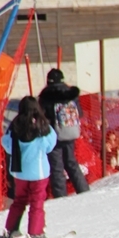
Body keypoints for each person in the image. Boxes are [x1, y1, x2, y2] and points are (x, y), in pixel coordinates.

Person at [0, 97, 57, 238]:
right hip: (38, 172)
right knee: (37, 202)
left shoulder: (15, 125)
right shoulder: (43, 125)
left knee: (19, 200)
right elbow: (50, 144)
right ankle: (35, 232)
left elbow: (6, 143)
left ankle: (10, 229)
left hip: (19, 172)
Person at [38, 68, 89, 198]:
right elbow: (80, 113)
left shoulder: (46, 95)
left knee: (57, 168)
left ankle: (60, 197)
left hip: (54, 135)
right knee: (71, 163)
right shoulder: (71, 94)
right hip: (70, 132)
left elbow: (41, 116)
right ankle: (84, 190)